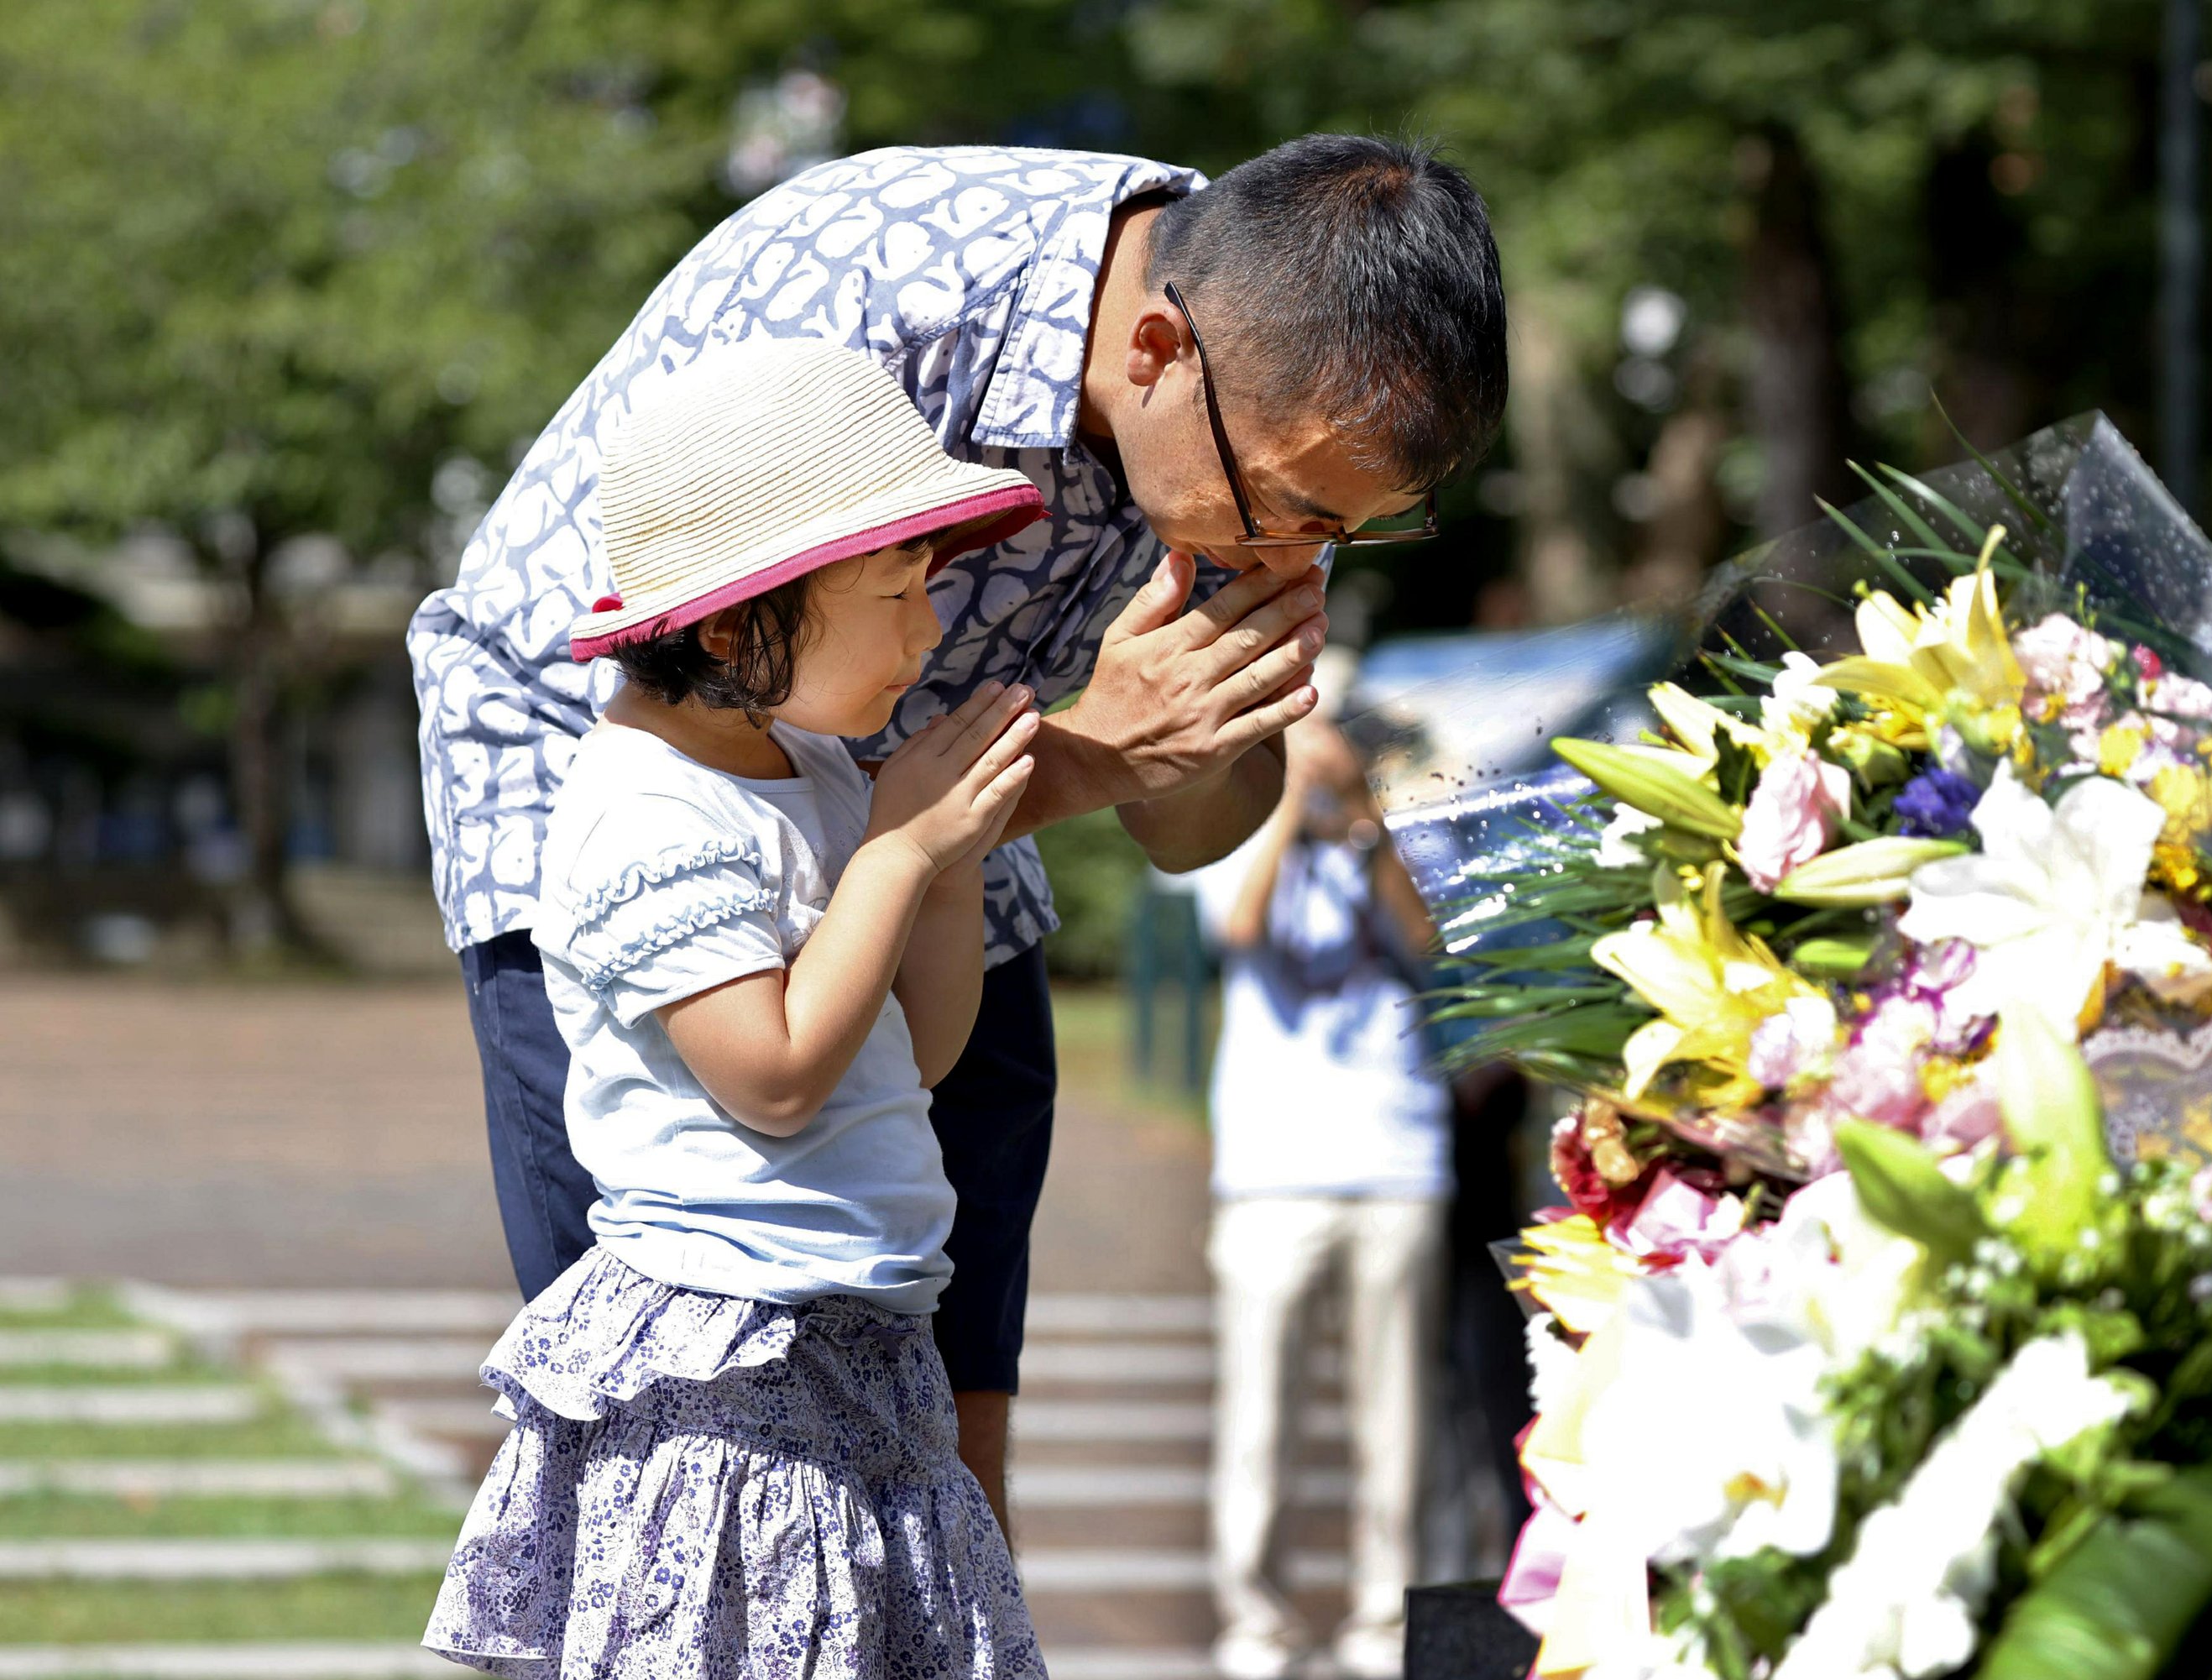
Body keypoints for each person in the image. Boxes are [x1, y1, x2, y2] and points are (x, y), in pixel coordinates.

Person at [409, 136, 1509, 1522]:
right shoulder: (883, 300)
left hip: (930, 783)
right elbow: (708, 700)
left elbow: (1191, 829)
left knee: (944, 1362)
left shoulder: (1276, 379)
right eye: (1291, 511)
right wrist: (1076, 757)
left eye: (1353, 529)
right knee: (688, 1407)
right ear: (1158, 350)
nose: (1298, 557)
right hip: (619, 748)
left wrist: (1168, 740)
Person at [426, 339, 1051, 1674]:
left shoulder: (814, 770)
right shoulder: (647, 809)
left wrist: (941, 863)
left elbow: (911, 1056)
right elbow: (770, 1073)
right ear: (731, 621)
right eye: (893, 593)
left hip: (866, 1345)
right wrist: (891, 851)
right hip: (734, 1383)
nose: (927, 633)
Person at [1191, 663, 1452, 1680]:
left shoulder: (1390, 826)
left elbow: (1426, 940)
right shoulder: (1230, 826)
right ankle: (1256, 1623)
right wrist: (1293, 804)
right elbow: (1240, 928)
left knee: (1399, 1423)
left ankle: (1386, 1622)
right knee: (1260, 1419)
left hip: (1398, 1159)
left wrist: (1364, 822)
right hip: (1269, 1170)